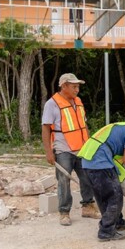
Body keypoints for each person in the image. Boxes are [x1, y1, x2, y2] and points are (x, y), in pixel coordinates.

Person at [78, 113, 125, 241]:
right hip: (99, 161)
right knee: (115, 195)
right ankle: (106, 231)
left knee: (104, 196)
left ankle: (116, 222)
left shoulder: (123, 127)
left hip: (89, 160)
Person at [41, 73, 97, 226]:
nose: (77, 89)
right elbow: (46, 128)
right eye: (74, 86)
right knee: (64, 181)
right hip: (63, 149)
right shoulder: (52, 104)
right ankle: (64, 212)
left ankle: (88, 207)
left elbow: (83, 125)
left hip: (82, 148)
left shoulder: (78, 101)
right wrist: (48, 152)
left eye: (78, 86)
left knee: (87, 177)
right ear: (64, 86)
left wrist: (90, 144)